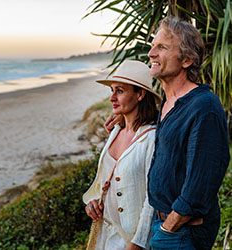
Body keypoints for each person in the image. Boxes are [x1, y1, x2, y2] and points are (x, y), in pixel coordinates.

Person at [146, 17, 230, 250]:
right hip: (162, 222)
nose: (151, 53)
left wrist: (170, 226)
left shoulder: (204, 106)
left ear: (187, 60)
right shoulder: (169, 101)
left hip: (181, 232)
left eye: (162, 47)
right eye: (153, 45)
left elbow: (202, 180)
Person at [83, 60, 161, 250]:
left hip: (132, 241)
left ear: (140, 94)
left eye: (120, 91)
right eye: (112, 90)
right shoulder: (116, 131)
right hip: (106, 234)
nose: (112, 98)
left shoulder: (151, 137)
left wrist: (138, 243)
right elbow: (107, 180)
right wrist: (93, 203)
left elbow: (152, 198)